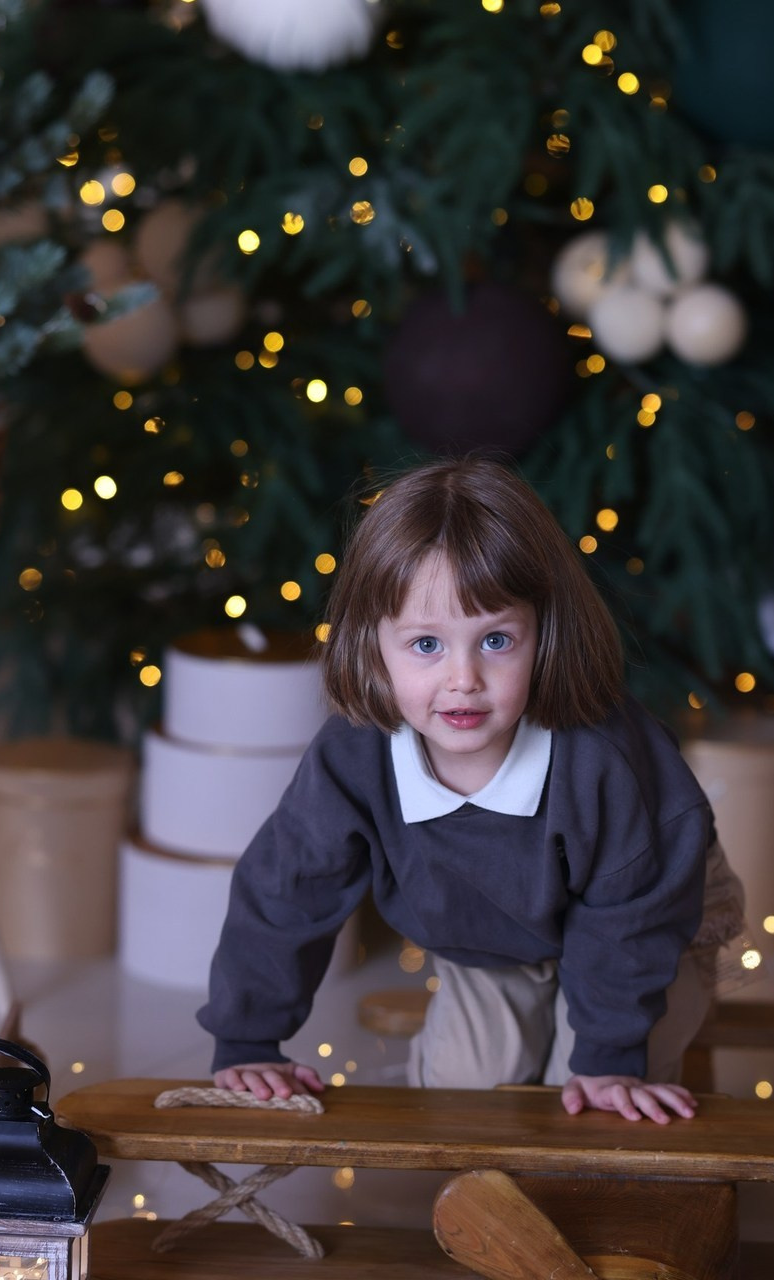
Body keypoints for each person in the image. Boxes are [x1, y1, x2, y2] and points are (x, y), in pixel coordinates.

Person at [198, 457, 745, 1123]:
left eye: (495, 640)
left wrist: (608, 1055)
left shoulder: (602, 762)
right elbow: (287, 889)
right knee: (466, 1100)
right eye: (426, 644)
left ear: (545, 636)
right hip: (493, 936)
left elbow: (636, 917)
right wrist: (248, 1037)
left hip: (654, 913)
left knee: (598, 1104)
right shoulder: (353, 758)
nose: (463, 679)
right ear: (374, 646)